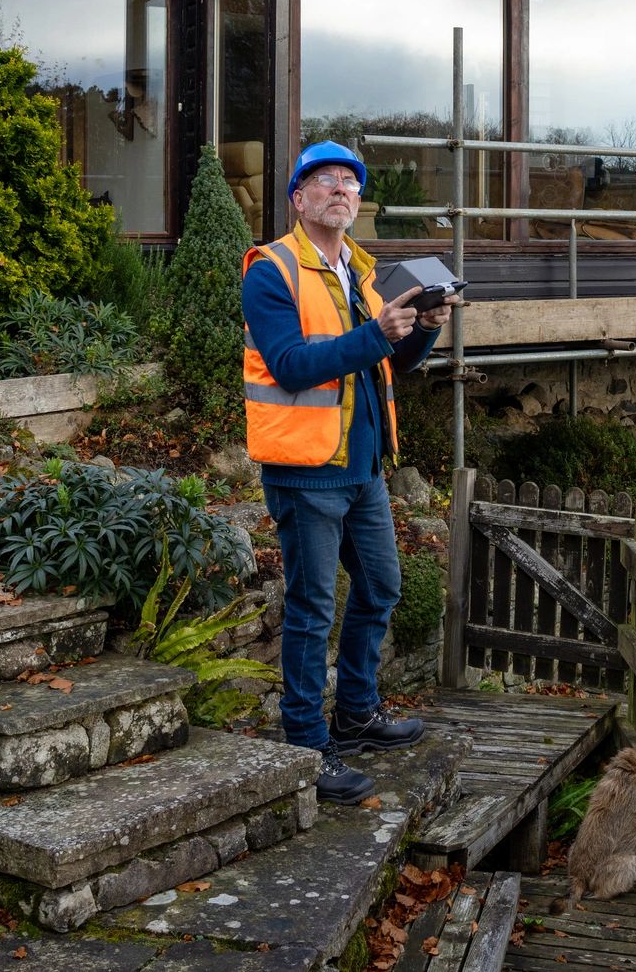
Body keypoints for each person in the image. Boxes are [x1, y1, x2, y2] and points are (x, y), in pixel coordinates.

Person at [240, 140, 459, 803]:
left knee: (383, 587)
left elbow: (389, 365)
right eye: (324, 180)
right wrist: (377, 334)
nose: (340, 188)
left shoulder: (361, 272)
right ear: (298, 200)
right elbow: (291, 364)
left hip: (361, 467)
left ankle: (357, 712)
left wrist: (421, 328)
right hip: (305, 471)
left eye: (350, 182)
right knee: (310, 610)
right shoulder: (270, 271)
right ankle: (308, 746)